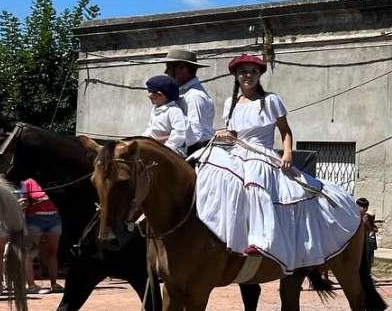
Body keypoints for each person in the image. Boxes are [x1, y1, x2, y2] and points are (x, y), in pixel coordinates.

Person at [194, 53, 362, 272]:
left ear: (259, 75)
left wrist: (287, 153)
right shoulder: (230, 103)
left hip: (261, 153)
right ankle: (220, 231)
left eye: (253, 72)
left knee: (254, 179)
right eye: (243, 72)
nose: (248, 76)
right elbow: (234, 134)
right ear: (236, 75)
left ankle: (260, 239)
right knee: (211, 168)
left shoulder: (271, 100)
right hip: (237, 151)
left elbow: (285, 131)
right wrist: (224, 135)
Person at [163, 48, 216, 156]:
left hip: (196, 153)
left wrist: (163, 141)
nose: (166, 72)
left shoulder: (194, 96)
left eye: (169, 67)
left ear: (183, 68)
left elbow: (196, 133)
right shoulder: (183, 93)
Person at [20, 177, 62, 294]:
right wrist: (26, 202)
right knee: (29, 253)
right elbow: (22, 202)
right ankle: (31, 285)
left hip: (54, 218)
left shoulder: (52, 180)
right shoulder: (28, 182)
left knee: (53, 253)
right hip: (35, 219)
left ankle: (54, 284)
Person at [143, 74, 188, 154]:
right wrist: (142, 140)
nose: (149, 95)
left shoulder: (174, 111)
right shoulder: (155, 109)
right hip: (154, 147)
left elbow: (178, 135)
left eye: (151, 92)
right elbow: (150, 129)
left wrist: (165, 149)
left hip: (172, 151)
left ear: (162, 95)